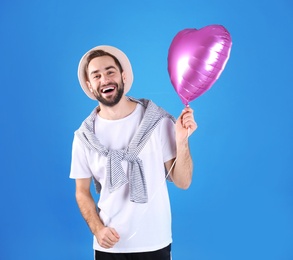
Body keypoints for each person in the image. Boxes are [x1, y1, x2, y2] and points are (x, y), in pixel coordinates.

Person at [70, 45, 197, 260]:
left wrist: (182, 141)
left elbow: (183, 182)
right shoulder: (84, 137)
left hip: (155, 242)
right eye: (97, 75)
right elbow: (81, 191)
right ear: (90, 87)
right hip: (110, 247)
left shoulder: (157, 122)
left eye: (110, 71)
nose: (105, 79)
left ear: (123, 76)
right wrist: (97, 229)